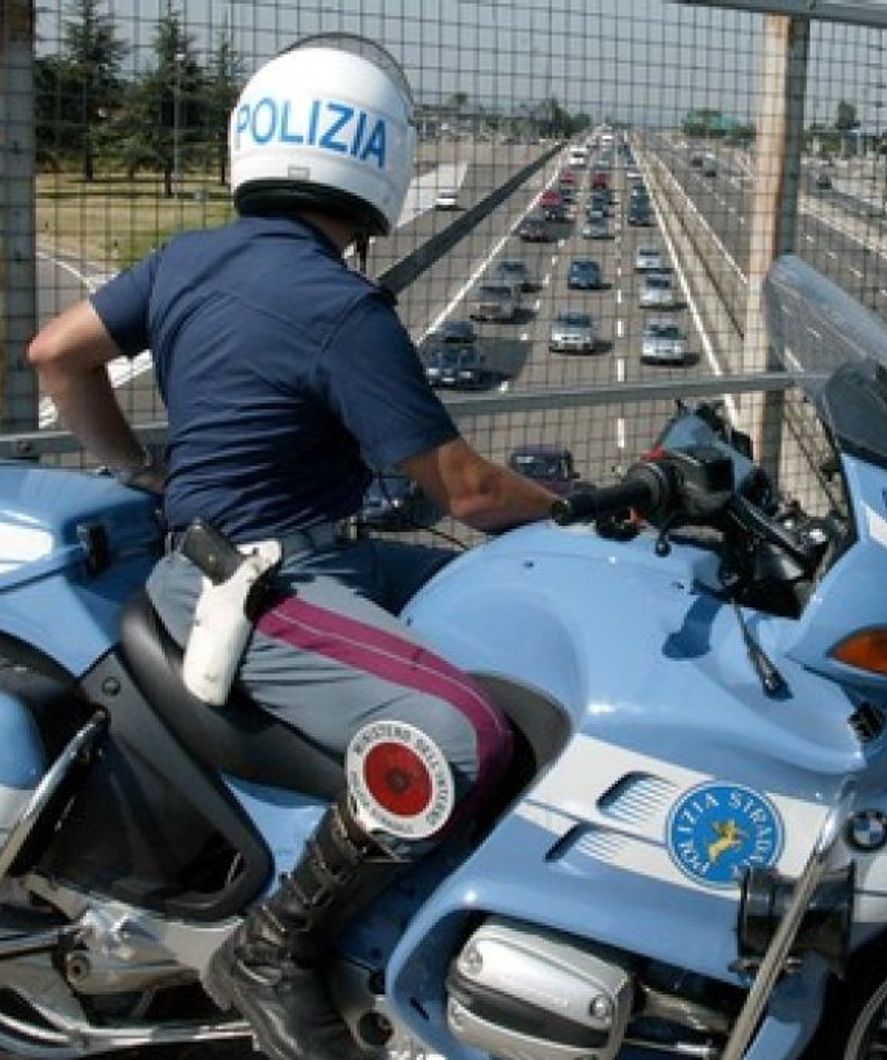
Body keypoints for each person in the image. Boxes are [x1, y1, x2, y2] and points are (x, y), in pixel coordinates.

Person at [26, 35, 557, 1060]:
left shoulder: (188, 256)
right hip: (262, 581)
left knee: (497, 604)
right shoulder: (340, 306)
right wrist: (587, 509)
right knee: (463, 733)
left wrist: (140, 469)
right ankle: (279, 946)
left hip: (267, 554)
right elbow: (467, 489)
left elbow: (57, 354)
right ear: (378, 163)